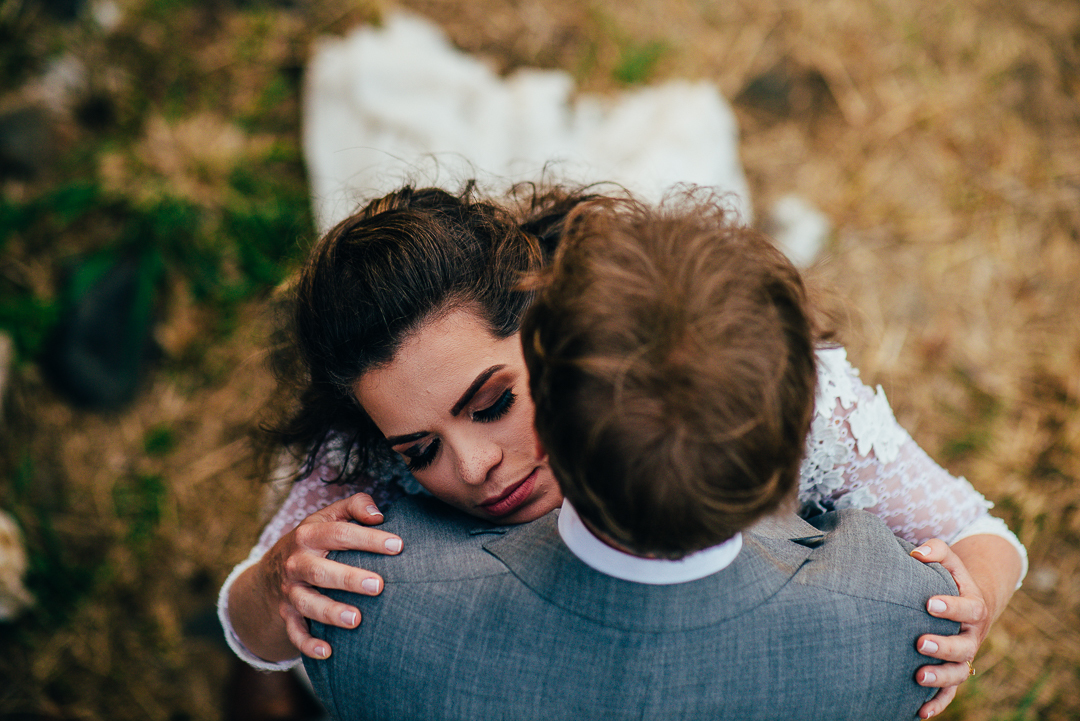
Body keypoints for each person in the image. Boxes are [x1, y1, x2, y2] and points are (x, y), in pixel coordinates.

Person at [218, 184, 1025, 719]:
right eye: (420, 447)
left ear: (555, 334)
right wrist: (274, 576)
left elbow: (978, 532)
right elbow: (254, 624)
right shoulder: (360, 463)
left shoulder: (745, 395)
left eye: (492, 404)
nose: (472, 466)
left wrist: (975, 599)